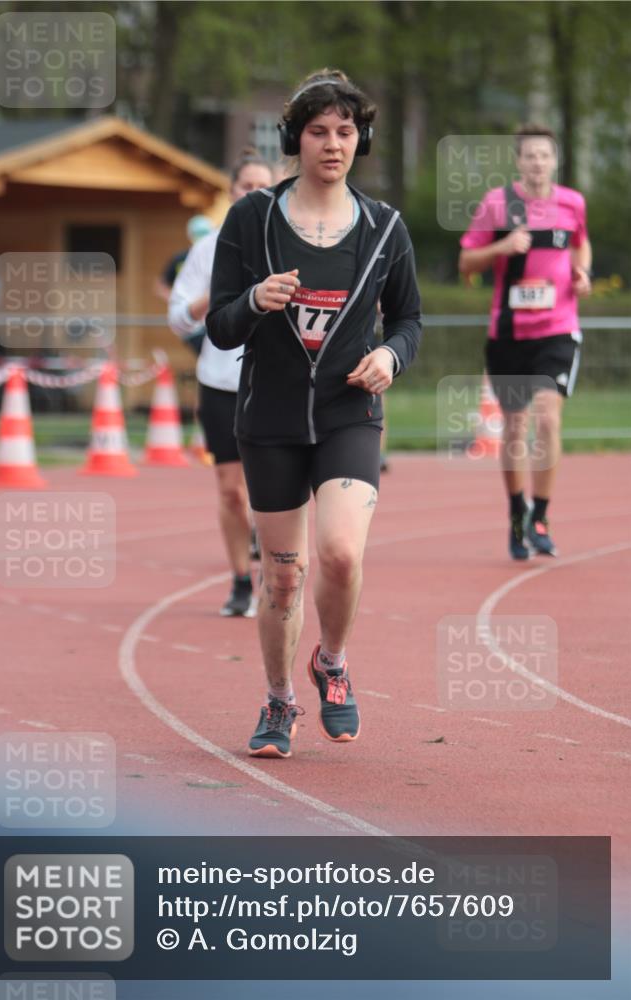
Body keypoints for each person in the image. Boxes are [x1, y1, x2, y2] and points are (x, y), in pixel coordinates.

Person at [206, 70, 422, 758]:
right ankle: (277, 699)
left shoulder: (384, 226)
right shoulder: (252, 219)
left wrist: (390, 356)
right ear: (293, 139)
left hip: (348, 412)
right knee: (282, 574)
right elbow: (218, 325)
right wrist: (253, 301)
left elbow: (410, 320)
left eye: (345, 132)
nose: (332, 144)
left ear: (360, 141)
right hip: (268, 414)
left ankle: (331, 661)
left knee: (339, 553)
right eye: (318, 131)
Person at [459, 124, 592, 560]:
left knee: (548, 419)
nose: (538, 162)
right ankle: (517, 510)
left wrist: (582, 272)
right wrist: (503, 249)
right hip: (509, 333)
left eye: (545, 156)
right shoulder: (498, 205)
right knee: (515, 428)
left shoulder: (572, 202)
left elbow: (580, 244)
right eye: (530, 155)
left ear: (555, 161)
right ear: (519, 161)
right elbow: (466, 264)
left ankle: (541, 517)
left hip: (558, 327)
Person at [169, 149, 273, 616]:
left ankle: (276, 575)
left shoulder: (285, 243)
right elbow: (176, 316)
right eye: (246, 186)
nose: (254, 193)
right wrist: (214, 299)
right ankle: (240, 582)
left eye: (262, 186)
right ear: (231, 192)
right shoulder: (208, 248)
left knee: (272, 489)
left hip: (273, 381)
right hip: (219, 380)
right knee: (231, 489)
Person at [155, 214, 214, 305]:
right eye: (198, 233)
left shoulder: (214, 259)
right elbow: (160, 286)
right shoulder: (180, 259)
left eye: (204, 233)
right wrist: (175, 301)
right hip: (185, 312)